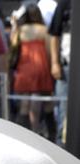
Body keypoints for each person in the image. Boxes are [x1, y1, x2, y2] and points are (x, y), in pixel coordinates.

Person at [10, 3, 56, 137]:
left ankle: (23, 134)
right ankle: (40, 132)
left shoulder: (20, 30)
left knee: (24, 100)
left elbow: (13, 47)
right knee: (43, 99)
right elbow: (48, 50)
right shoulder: (44, 29)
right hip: (41, 66)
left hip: (24, 66)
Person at [48, 0, 70, 144]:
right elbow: (54, 35)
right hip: (66, 68)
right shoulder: (65, 4)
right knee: (63, 114)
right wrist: (55, 63)